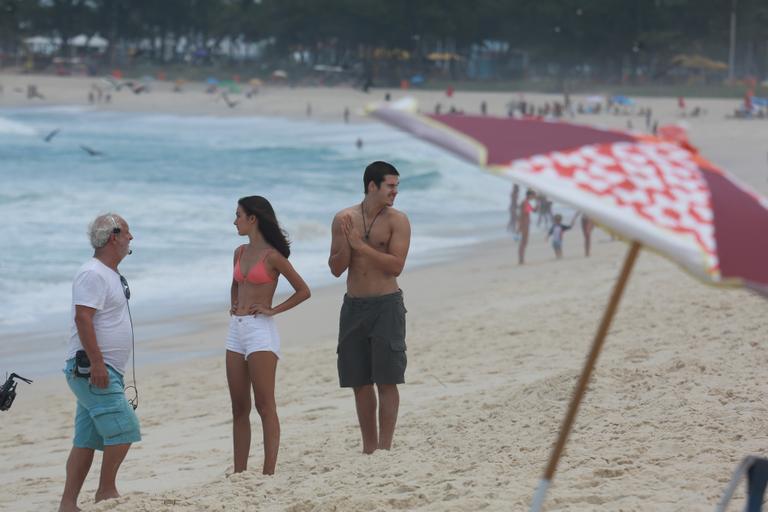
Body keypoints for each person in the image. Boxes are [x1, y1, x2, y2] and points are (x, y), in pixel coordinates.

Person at [328, 161, 411, 454]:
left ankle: (385, 449)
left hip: (386, 305)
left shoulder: (397, 221)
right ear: (372, 186)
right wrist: (347, 245)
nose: (395, 192)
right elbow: (335, 269)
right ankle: (369, 448)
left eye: (396, 186)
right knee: (359, 381)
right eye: (391, 186)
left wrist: (361, 246)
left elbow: (396, 266)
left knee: (387, 379)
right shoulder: (343, 219)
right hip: (354, 307)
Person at [59, 213, 140, 512]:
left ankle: (68, 504)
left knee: (86, 440)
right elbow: (83, 318)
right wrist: (97, 364)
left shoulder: (108, 273)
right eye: (128, 232)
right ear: (113, 236)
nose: (132, 237)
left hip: (103, 370)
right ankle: (105, 492)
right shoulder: (92, 273)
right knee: (125, 427)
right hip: (92, 370)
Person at [227, 196, 310, 475]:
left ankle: (268, 472)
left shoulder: (273, 256)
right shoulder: (239, 252)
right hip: (236, 331)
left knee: (264, 404)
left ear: (253, 219)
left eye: (238, 215)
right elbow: (236, 284)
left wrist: (273, 309)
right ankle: (239, 472)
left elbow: (303, 290)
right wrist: (233, 303)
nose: (234, 220)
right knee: (239, 406)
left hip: (260, 331)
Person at [517, 189, 537, 264]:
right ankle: (521, 259)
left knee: (524, 242)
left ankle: (521, 258)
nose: (534, 197)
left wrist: (537, 202)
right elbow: (522, 214)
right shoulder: (525, 203)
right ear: (530, 195)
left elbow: (534, 210)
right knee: (523, 242)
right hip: (524, 224)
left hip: (525, 223)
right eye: (533, 195)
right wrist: (519, 226)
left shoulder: (526, 203)